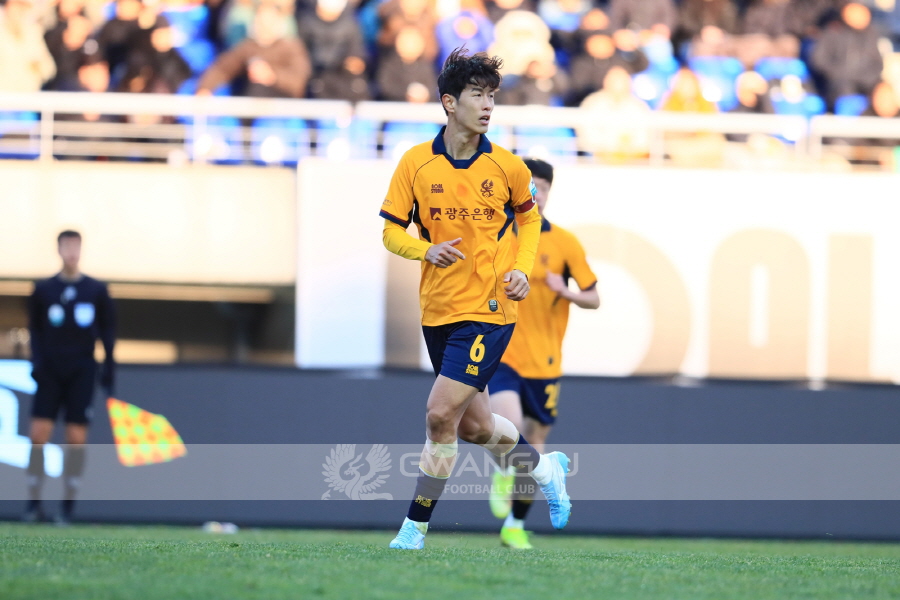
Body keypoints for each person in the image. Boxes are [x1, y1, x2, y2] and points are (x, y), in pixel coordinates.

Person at [380, 47, 572, 550]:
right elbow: (391, 233)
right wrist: (425, 249)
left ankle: (414, 528)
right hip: (438, 310)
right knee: (475, 426)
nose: (488, 105)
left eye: (492, 96)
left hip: (490, 310)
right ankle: (544, 469)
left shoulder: (507, 166)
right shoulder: (416, 163)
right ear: (449, 102)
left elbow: (529, 219)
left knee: (439, 415)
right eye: (477, 95)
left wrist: (521, 269)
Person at [487, 158, 599, 549]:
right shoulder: (498, 233)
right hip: (503, 351)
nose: (537, 194)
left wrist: (564, 290)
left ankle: (515, 525)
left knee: (535, 446)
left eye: (544, 187)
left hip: (546, 361)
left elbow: (594, 297)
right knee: (509, 424)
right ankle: (503, 470)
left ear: (551, 192)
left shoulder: (565, 243)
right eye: (530, 186)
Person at [24, 231, 116, 525]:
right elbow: (35, 329)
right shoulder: (43, 289)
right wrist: (37, 362)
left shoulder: (96, 290)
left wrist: (109, 367)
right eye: (67, 246)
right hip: (50, 369)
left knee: (76, 438)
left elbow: (108, 330)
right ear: (59, 249)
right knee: (39, 434)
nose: (71, 252)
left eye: (76, 246)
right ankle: (34, 504)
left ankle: (66, 508)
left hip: (82, 370)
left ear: (81, 249)